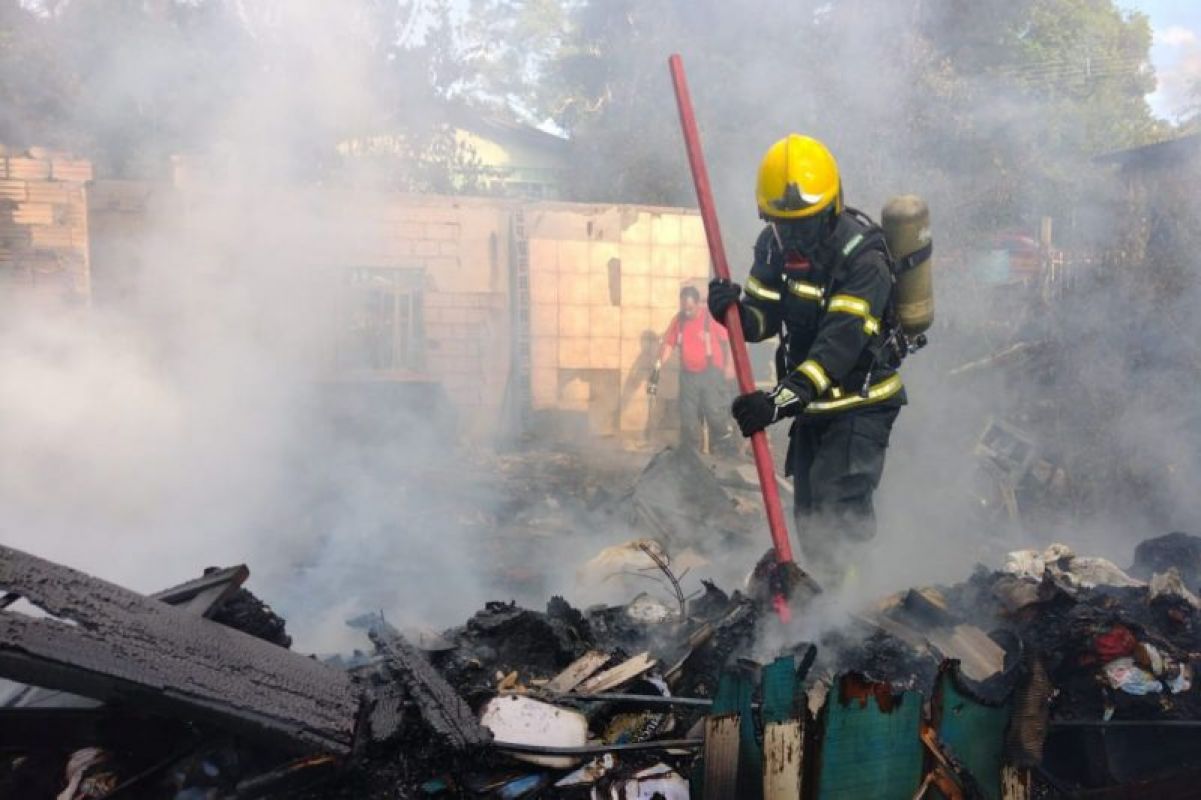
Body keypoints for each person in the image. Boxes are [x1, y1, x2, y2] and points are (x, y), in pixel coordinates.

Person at [707, 134, 906, 585]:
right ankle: (818, 604)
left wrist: (776, 402)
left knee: (840, 516)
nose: (794, 236)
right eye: (782, 223)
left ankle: (849, 619)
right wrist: (730, 310)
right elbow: (761, 320)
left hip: (861, 403)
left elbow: (837, 348)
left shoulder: (864, 259)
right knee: (811, 515)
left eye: (806, 224)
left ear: (832, 208)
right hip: (811, 405)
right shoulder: (774, 246)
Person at [649, 285, 736, 454]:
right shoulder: (679, 321)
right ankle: (691, 452)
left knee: (713, 411)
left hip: (711, 373)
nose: (687, 312)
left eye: (690, 308)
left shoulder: (710, 318)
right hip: (688, 375)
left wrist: (730, 364)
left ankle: (725, 441)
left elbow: (730, 341)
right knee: (688, 415)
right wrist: (658, 365)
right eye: (684, 308)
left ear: (697, 304)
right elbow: (668, 344)